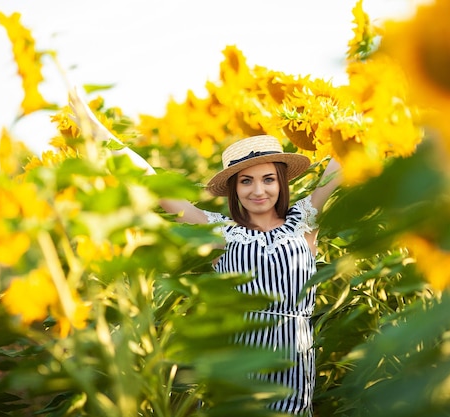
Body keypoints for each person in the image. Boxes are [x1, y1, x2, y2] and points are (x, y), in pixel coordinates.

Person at [69, 88, 342, 416]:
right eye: (246, 182)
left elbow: (344, 160)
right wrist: (99, 133)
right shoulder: (220, 232)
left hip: (293, 366)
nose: (258, 190)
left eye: (268, 179)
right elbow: (152, 183)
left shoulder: (304, 219)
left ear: (282, 183)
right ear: (234, 190)